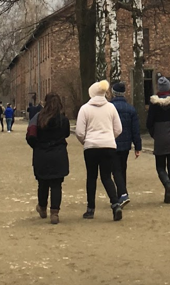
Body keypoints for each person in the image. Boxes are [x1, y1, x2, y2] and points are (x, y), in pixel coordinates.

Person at [75, 79, 124, 221]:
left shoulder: (85, 109)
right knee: (107, 176)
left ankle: (90, 209)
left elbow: (79, 131)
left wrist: (85, 141)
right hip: (108, 146)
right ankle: (115, 204)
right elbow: (118, 129)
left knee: (91, 177)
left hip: (91, 146)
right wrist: (109, 137)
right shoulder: (111, 108)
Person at [27, 92, 70, 224]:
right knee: (57, 185)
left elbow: (30, 137)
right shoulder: (63, 120)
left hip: (42, 154)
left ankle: (42, 207)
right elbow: (67, 134)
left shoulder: (38, 118)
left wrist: (37, 147)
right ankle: (55, 212)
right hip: (58, 154)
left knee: (43, 183)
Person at [146, 77, 170, 203]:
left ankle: (166, 183)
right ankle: (169, 193)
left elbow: (149, 123)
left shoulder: (154, 104)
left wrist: (155, 134)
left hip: (160, 138)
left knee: (160, 166)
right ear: (169, 87)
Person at [108, 81, 141, 205]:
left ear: (114, 93)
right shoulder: (130, 109)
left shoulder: (109, 107)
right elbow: (135, 130)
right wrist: (138, 146)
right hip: (126, 144)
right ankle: (121, 193)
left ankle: (122, 193)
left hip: (112, 142)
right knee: (122, 168)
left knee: (115, 169)